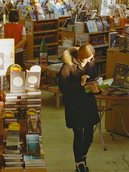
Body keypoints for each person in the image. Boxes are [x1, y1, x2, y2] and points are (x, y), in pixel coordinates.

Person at [58, 44, 100, 172]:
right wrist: (80, 84)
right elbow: (63, 88)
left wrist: (96, 84)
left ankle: (82, 159)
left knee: (89, 135)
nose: (89, 61)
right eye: (87, 58)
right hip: (74, 104)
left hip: (88, 102)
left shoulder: (90, 63)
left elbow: (93, 76)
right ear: (81, 56)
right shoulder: (67, 66)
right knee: (78, 134)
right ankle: (80, 164)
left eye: (91, 59)